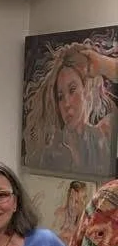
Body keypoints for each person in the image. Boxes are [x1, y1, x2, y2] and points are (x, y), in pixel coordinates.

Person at [23, 40, 118, 179]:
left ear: (86, 90)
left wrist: (104, 65)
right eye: (60, 96)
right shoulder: (52, 152)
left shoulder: (104, 134)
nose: (66, 103)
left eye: (72, 90)